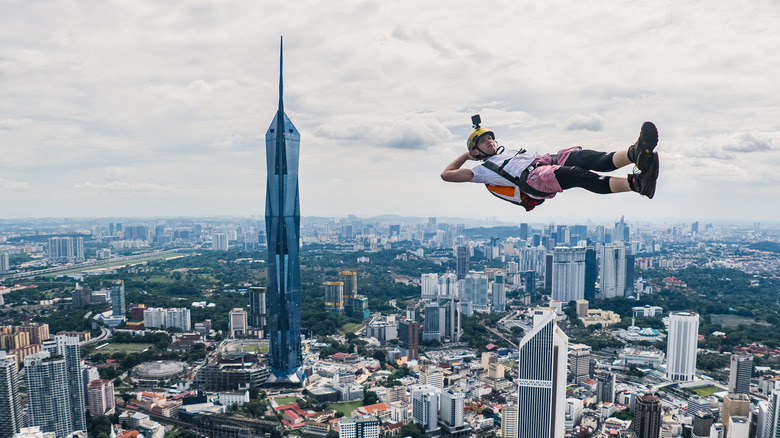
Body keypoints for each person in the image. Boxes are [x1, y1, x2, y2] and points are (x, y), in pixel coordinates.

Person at [440, 115, 659, 211]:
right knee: (577, 174)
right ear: (476, 150)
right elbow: (446, 175)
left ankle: (635, 153)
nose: (490, 142)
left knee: (587, 158)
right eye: (483, 142)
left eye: (490, 138)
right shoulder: (482, 171)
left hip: (544, 160)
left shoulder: (510, 151)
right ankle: (637, 184)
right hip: (533, 179)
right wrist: (466, 157)